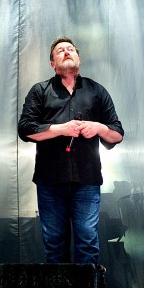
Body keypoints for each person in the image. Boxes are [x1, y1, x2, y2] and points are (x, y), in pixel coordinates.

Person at [18, 35, 124, 265]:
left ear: (79, 58)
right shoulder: (40, 91)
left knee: (87, 243)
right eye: (60, 51)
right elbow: (25, 129)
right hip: (50, 181)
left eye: (71, 49)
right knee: (54, 247)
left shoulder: (97, 91)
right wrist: (59, 129)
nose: (66, 52)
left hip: (87, 181)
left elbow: (117, 134)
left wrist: (98, 127)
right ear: (52, 64)